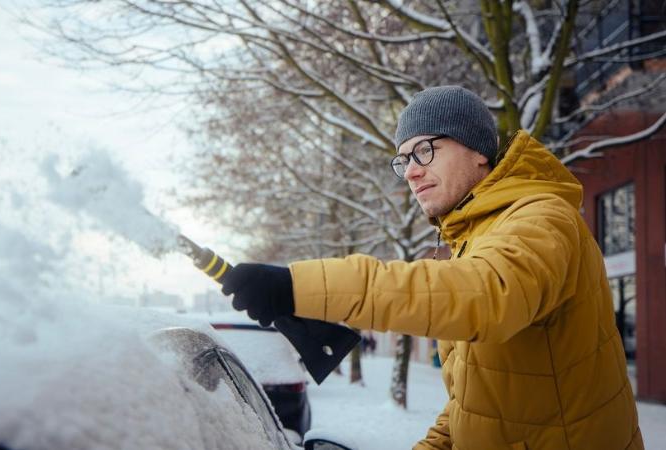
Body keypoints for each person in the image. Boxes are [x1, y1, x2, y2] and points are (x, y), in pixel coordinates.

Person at [221, 86, 643, 449]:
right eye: (403, 160)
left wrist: (299, 286)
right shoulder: (476, 239)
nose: (412, 171)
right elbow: (476, 401)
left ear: (478, 150)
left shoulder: (541, 217)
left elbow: (487, 295)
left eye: (425, 149)